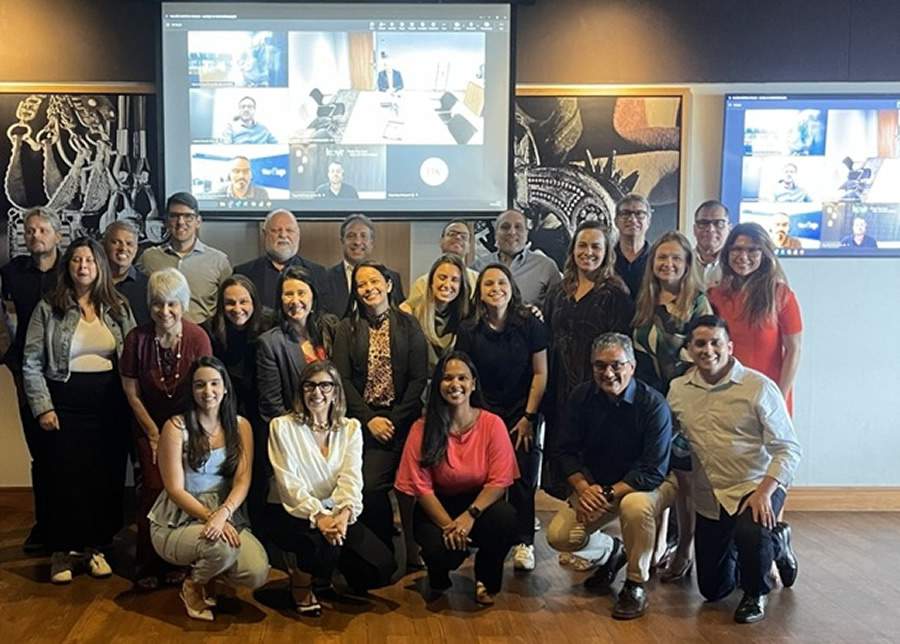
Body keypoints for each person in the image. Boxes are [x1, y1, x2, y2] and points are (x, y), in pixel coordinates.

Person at [668, 315, 801, 624]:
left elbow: (789, 448)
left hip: (755, 484)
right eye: (700, 343)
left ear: (729, 346)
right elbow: (670, 434)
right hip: (711, 492)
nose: (708, 350)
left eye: (715, 343)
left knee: (751, 528)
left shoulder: (758, 387)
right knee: (713, 591)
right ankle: (775, 541)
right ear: (689, 349)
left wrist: (765, 492)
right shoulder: (678, 390)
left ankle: (757, 592)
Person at [22, 237, 135, 583]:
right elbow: (30, 361)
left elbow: (131, 356)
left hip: (110, 404)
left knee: (106, 477)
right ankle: (64, 553)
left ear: (99, 266)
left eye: (89, 261)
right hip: (65, 403)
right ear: (67, 267)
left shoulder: (117, 306)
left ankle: (97, 548)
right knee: (65, 477)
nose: (83, 267)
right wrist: (43, 407)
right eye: (76, 261)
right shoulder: (48, 307)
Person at [547, 333, 675, 620]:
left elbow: (652, 470)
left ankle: (634, 583)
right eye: (599, 366)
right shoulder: (580, 397)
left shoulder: (653, 405)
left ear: (632, 366)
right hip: (598, 486)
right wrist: (583, 487)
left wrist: (606, 493)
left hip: (651, 484)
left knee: (634, 506)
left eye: (617, 365)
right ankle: (612, 550)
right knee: (559, 537)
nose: (608, 373)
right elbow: (564, 450)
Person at [266, 361, 396, 616]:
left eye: (325, 385)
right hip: (292, 511)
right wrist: (320, 517)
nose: (317, 392)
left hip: (336, 510)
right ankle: (301, 582)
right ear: (301, 391)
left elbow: (351, 478)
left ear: (336, 392)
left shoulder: (350, 428)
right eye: (310, 386)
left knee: (381, 567)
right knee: (318, 544)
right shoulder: (282, 427)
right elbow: (289, 484)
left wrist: (344, 515)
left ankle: (324, 573)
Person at [149, 357, 270, 621]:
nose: (208, 392)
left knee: (257, 571)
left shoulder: (240, 426)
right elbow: (174, 489)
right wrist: (209, 516)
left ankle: (210, 575)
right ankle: (192, 585)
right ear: (192, 390)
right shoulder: (175, 427)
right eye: (200, 385)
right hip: (178, 519)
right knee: (221, 548)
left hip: (224, 513)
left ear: (225, 387)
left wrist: (223, 513)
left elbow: (242, 481)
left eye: (215, 384)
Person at [395, 351, 519, 605]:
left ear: (473, 383)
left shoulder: (493, 424)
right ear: (437, 385)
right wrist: (450, 526)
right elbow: (421, 487)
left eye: (462, 378)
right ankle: (438, 574)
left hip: (478, 506)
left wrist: (469, 517)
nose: (455, 385)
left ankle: (485, 577)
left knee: (506, 518)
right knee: (440, 550)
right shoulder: (422, 427)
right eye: (447, 378)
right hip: (436, 508)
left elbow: (499, 481)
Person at [121, 268, 213, 589]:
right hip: (149, 427)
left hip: (188, 426)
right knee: (153, 490)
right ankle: (148, 564)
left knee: (186, 491)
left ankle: (180, 561)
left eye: (172, 304)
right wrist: (153, 432)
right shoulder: (137, 338)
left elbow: (206, 389)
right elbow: (131, 391)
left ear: (183, 304)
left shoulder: (198, 337)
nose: (165, 311)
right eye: (158, 304)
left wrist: (185, 431)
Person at [632, 231, 713, 583]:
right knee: (657, 474)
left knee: (684, 480)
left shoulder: (698, 303)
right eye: (662, 258)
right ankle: (657, 543)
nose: (668, 264)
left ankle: (684, 549)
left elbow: (706, 354)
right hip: (650, 403)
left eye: (676, 259)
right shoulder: (646, 301)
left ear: (687, 264)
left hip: (685, 403)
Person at [456, 263, 548, 572]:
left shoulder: (529, 323)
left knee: (521, 477)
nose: (496, 288)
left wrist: (529, 416)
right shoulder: (469, 328)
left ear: (512, 287)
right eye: (488, 284)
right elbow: (463, 374)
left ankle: (524, 542)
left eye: (502, 282)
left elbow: (540, 373)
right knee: (483, 476)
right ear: (479, 292)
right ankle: (485, 537)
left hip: (522, 411)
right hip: (482, 412)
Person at [333, 262, 428, 552]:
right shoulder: (346, 328)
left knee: (414, 486)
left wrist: (395, 421)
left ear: (388, 285)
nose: (368, 288)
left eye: (374, 281)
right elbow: (343, 380)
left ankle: (416, 546)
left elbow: (418, 377)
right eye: (361, 284)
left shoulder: (408, 325)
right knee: (371, 486)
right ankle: (381, 544)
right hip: (365, 420)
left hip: (404, 419)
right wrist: (370, 420)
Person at [542, 221, 634, 498]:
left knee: (594, 455)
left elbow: (621, 348)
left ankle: (602, 526)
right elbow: (547, 334)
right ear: (572, 250)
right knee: (563, 452)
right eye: (582, 245)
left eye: (596, 246)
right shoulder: (559, 291)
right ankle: (573, 516)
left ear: (607, 252)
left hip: (597, 387)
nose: (588, 252)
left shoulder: (616, 292)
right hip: (559, 386)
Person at [0, 207, 61, 553]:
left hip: (66, 376)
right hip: (27, 376)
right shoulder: (11, 274)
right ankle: (44, 526)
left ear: (56, 235)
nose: (35, 236)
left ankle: (72, 526)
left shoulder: (71, 272)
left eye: (42, 230)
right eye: (29, 231)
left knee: (67, 453)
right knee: (40, 454)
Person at [708, 222, 803, 412]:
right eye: (737, 249)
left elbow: (794, 349)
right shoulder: (714, 296)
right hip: (727, 395)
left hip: (768, 397)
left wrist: (780, 397)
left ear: (764, 254)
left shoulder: (780, 295)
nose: (743, 257)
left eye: (753, 250)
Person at [137, 192, 232, 324]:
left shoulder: (218, 261)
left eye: (188, 216)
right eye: (174, 216)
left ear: (198, 221)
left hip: (205, 335)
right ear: (167, 221)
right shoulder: (149, 258)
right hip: (159, 334)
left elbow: (228, 304)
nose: (181, 222)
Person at [234, 209, 327, 318]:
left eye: (289, 230)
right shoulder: (244, 273)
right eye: (276, 230)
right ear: (265, 234)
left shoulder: (317, 273)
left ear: (298, 235)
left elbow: (321, 316)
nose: (283, 235)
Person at [204, 275, 267, 419]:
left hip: (261, 405)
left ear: (254, 302)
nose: (237, 309)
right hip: (226, 406)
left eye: (243, 302)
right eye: (230, 303)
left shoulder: (270, 326)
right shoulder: (209, 330)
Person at [320, 214, 405, 317]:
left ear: (371, 242)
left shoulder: (391, 277)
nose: (357, 242)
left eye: (363, 236)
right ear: (342, 241)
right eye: (351, 236)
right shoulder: (325, 278)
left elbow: (398, 316)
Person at [473, 209, 561, 308]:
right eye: (505, 227)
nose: (512, 232)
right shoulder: (477, 267)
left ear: (527, 233)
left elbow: (557, 308)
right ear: (496, 234)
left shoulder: (546, 267)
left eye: (518, 227)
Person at [401, 254, 471, 372]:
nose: (447, 285)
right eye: (442, 278)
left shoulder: (467, 314)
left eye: (454, 280)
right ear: (431, 281)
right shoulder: (410, 312)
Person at [405, 220, 478, 311]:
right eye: (452, 234)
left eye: (464, 236)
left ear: (469, 247)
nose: (458, 237)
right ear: (441, 241)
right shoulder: (422, 283)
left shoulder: (478, 280)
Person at [103, 219, 150, 326]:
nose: (123, 248)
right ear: (104, 245)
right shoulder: (92, 282)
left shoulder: (147, 286)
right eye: (116, 242)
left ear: (136, 249)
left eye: (129, 244)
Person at [613, 193, 653, 299]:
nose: (632, 219)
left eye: (639, 214)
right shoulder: (606, 259)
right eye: (625, 213)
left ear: (648, 222)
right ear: (616, 221)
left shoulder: (657, 259)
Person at [692, 200, 731, 289]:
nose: (710, 229)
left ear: (729, 228)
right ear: (694, 229)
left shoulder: (736, 264)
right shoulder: (684, 260)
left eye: (719, 223)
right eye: (703, 223)